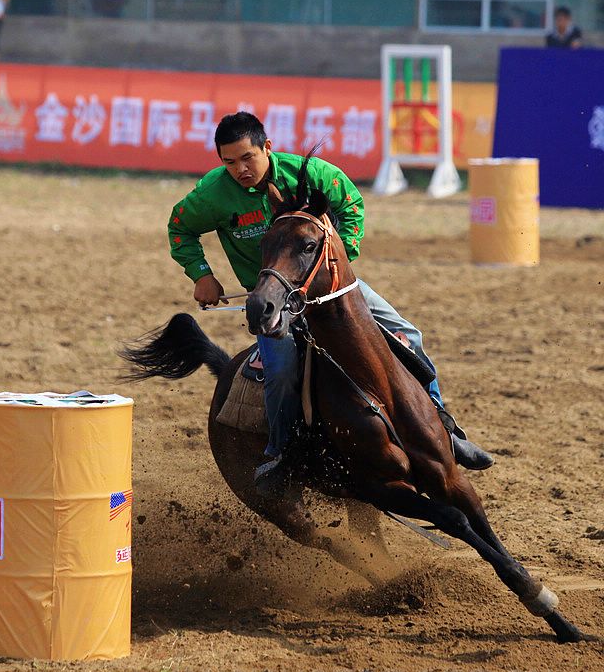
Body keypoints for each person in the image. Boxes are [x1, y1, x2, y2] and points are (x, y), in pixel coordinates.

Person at [167, 112, 494, 496]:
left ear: (267, 147)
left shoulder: (314, 173)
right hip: (277, 299)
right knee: (282, 369)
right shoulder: (212, 195)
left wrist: (341, 257)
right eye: (229, 162)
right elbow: (180, 227)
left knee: (409, 335)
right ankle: (279, 453)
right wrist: (201, 274)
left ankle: (447, 431)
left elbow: (351, 203)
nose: (240, 169)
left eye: (247, 158)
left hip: (332, 286)